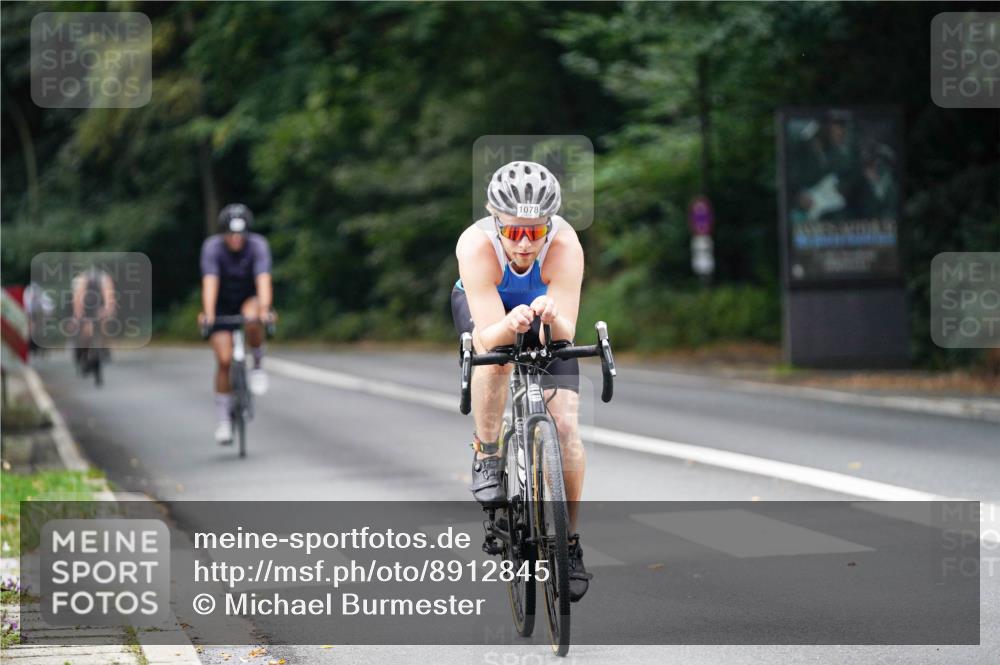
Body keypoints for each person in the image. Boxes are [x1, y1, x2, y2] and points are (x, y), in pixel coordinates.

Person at [451, 160, 592, 601]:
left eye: (536, 231)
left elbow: (565, 331)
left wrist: (550, 320)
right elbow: (488, 339)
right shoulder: (475, 246)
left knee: (565, 427)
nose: (526, 243)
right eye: (514, 232)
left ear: (549, 225)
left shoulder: (566, 245)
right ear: (497, 224)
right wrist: (511, 325)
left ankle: (569, 544)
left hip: (542, 311)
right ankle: (488, 453)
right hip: (490, 311)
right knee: (496, 362)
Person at [199, 203, 274, 444]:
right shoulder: (212, 248)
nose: (235, 239)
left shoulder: (258, 246)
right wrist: (209, 313)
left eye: (240, 234)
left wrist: (265, 309)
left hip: (248, 299)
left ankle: (258, 364)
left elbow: (263, 280)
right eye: (230, 234)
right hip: (221, 304)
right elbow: (210, 282)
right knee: (223, 360)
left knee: (252, 318)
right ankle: (223, 420)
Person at [70, 266, 116, 371]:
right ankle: (80, 349)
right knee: (83, 327)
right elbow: (77, 301)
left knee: (106, 322)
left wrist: (107, 311)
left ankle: (105, 347)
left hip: (98, 306)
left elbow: (110, 299)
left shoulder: (104, 280)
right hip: (85, 305)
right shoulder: (82, 280)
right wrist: (79, 315)